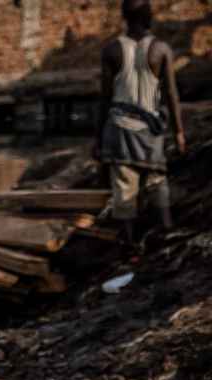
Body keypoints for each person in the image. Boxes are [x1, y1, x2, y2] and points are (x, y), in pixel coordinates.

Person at [98, 0, 186, 250]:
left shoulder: (112, 49)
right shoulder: (161, 49)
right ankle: (166, 234)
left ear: (124, 17)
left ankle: (130, 245)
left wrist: (98, 140)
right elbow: (171, 93)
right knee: (157, 182)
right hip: (151, 131)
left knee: (124, 190)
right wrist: (179, 132)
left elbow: (104, 99)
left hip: (120, 130)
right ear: (149, 17)